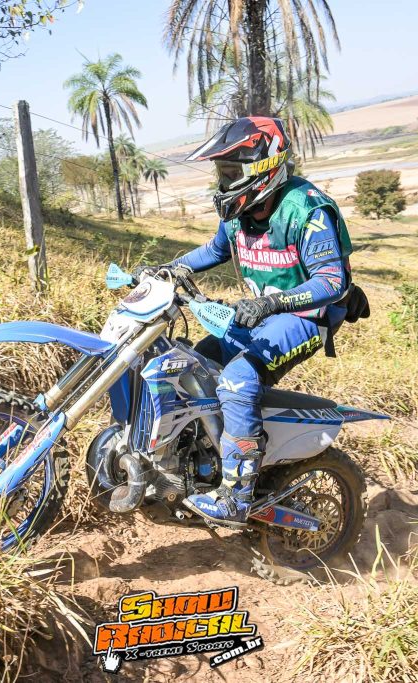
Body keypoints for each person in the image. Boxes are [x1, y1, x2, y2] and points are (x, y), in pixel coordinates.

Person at [135, 117, 370, 526]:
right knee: (190, 369)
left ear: (265, 166)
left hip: (303, 317)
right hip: (259, 314)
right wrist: (167, 270)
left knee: (238, 380)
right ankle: (198, 466)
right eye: (222, 172)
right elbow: (213, 250)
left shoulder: (307, 208)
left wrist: (272, 304)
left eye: (233, 171)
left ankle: (236, 495)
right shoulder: (239, 210)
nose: (226, 181)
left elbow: (333, 282)